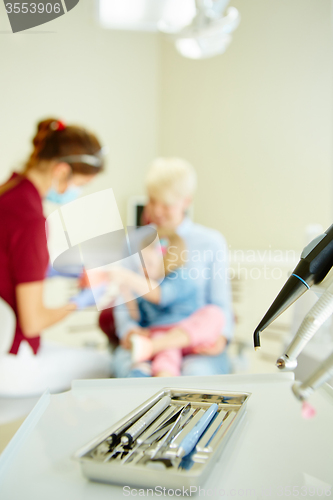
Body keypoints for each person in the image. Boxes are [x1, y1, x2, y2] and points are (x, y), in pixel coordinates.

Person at [0, 118, 111, 396]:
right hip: (13, 357)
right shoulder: (30, 219)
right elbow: (33, 321)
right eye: (81, 184)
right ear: (61, 171)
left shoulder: (9, 194)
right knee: (105, 366)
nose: (78, 193)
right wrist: (80, 301)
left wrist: (52, 270)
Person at [112, 157, 234, 377]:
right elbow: (124, 304)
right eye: (152, 201)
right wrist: (129, 332)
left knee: (195, 376)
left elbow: (220, 304)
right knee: (133, 374)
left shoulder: (211, 242)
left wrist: (221, 338)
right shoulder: (134, 243)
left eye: (166, 204)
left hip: (195, 342)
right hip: (150, 334)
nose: (157, 211)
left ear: (186, 201)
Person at [109, 231, 224, 377]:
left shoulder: (180, 277)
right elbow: (137, 317)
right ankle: (161, 377)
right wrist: (126, 294)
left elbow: (161, 296)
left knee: (214, 313)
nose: (142, 269)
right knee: (167, 356)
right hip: (160, 335)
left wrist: (127, 277)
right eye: (141, 263)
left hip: (187, 336)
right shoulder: (145, 288)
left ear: (167, 261)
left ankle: (152, 347)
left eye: (149, 264)